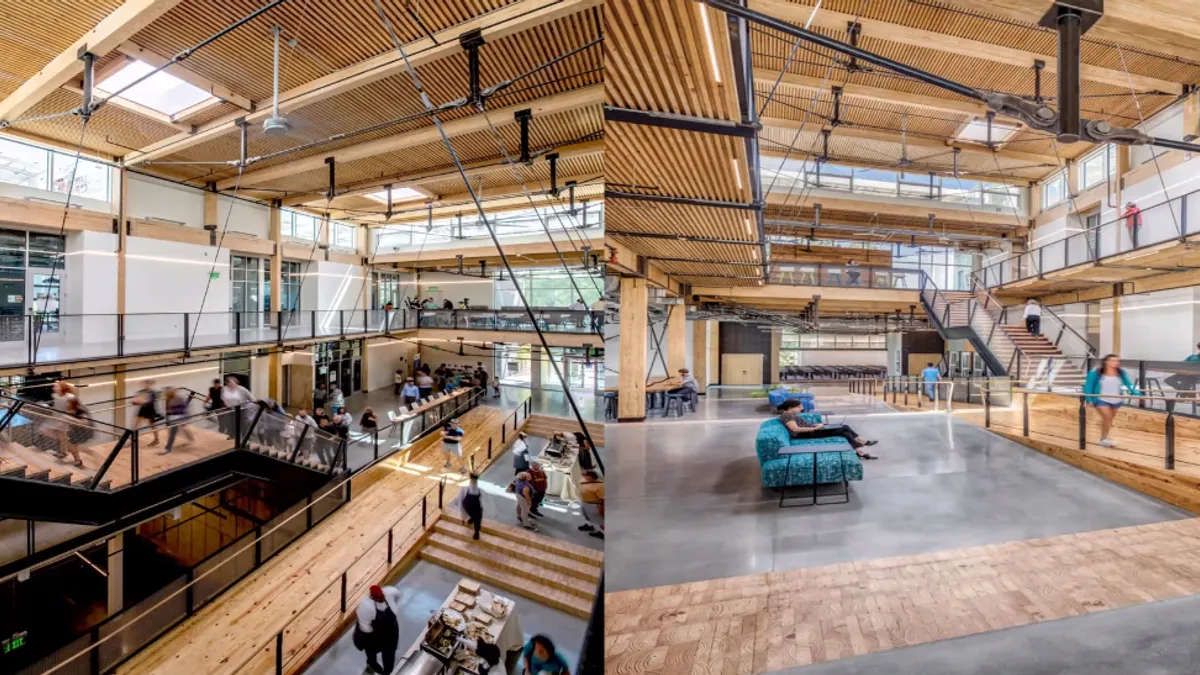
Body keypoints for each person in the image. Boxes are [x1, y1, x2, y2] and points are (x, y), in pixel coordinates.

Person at [777, 399, 879, 459]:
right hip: (808, 434)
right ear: (790, 407)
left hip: (812, 430)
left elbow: (802, 425)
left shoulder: (791, 414)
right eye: (799, 407)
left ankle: (860, 450)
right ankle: (862, 445)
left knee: (845, 429)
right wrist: (816, 427)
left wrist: (818, 424)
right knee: (843, 429)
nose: (801, 409)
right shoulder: (786, 416)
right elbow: (795, 429)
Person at [1084, 354, 1141, 448]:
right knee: (1107, 417)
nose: (1116, 363)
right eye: (1113, 360)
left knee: (1109, 420)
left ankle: (1104, 437)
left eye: (1117, 361)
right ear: (1106, 362)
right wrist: (1089, 399)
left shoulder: (1121, 372)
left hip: (1116, 400)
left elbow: (1129, 384)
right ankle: (1103, 439)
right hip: (1100, 399)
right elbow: (1088, 386)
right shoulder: (1096, 372)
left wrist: (1136, 393)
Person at [355, 584, 402, 675]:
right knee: (371, 653)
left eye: (382, 597)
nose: (380, 599)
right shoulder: (365, 606)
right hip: (374, 634)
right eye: (378, 598)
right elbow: (365, 627)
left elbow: (398, 596)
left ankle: (387, 672)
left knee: (389, 655)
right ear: (372, 597)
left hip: (391, 632)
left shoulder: (390, 592)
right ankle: (372, 665)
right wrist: (374, 633)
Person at [161, 387, 194, 455]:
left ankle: (190, 439)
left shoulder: (179, 398)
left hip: (181, 417)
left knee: (184, 429)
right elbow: (167, 411)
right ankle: (168, 448)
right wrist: (168, 422)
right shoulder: (168, 399)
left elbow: (185, 408)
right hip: (174, 418)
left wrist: (187, 418)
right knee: (173, 433)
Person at [132, 380, 162, 447]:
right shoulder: (141, 391)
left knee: (152, 425)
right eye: (144, 384)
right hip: (143, 410)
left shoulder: (153, 392)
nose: (145, 385)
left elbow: (151, 402)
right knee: (136, 425)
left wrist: (143, 402)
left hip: (150, 410)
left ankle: (156, 439)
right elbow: (136, 401)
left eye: (146, 384)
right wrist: (135, 401)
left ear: (150, 384)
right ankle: (132, 439)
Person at [577, 470, 604, 539]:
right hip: (584, 502)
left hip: (594, 504)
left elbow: (604, 498)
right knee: (586, 515)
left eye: (586, 475)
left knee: (599, 520)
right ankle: (589, 525)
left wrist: (602, 508)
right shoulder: (584, 482)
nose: (584, 477)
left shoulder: (600, 485)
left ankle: (602, 533)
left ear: (591, 477)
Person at [461, 473, 484, 540]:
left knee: (478, 517)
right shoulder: (465, 489)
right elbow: (460, 501)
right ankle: (472, 518)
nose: (474, 482)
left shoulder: (479, 490)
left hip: (476, 508)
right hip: (468, 507)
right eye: (472, 480)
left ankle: (476, 532)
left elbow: (482, 500)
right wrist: (462, 517)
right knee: (475, 516)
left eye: (475, 480)